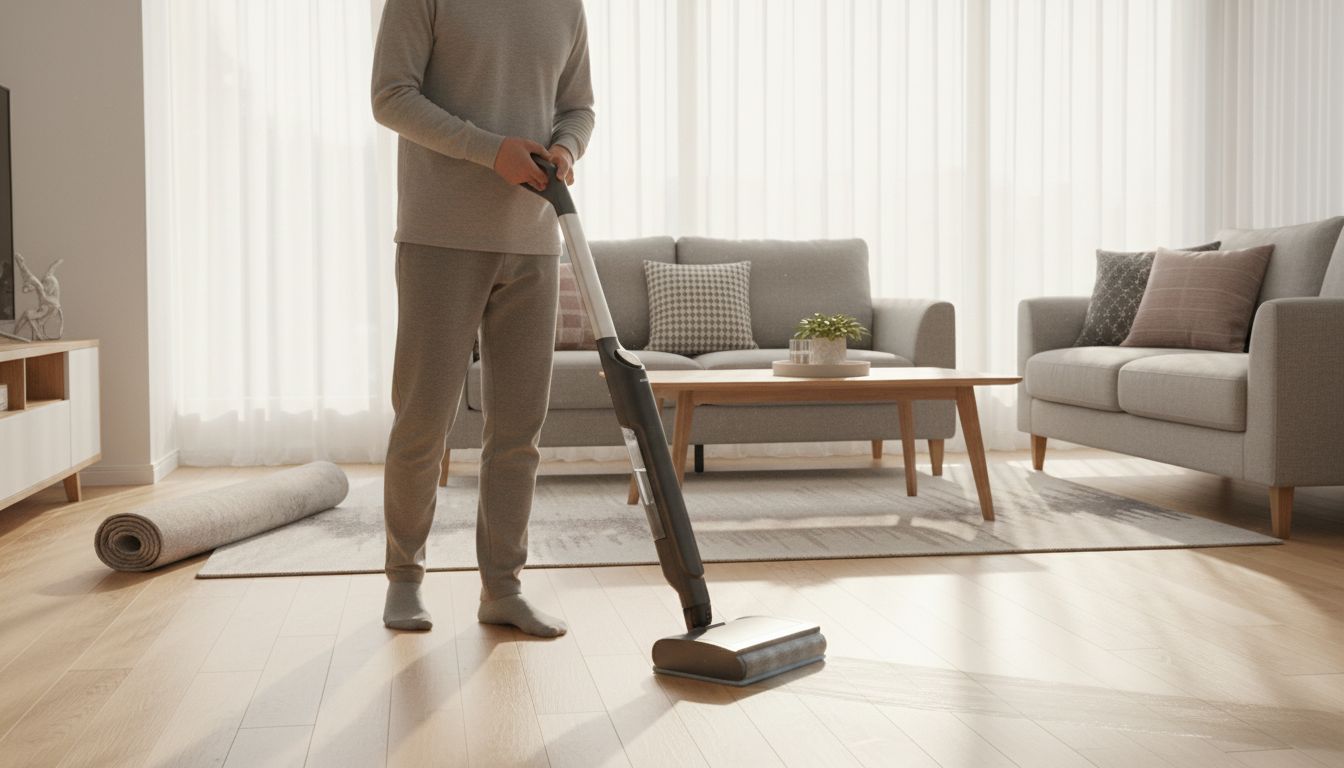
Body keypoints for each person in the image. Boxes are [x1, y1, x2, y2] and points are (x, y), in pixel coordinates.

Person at [371, 0, 594, 636]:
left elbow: (579, 106)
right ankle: (405, 579)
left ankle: (502, 589)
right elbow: (390, 96)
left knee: (520, 428)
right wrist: (489, 151)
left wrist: (566, 146)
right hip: (439, 235)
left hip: (533, 239)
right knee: (424, 417)